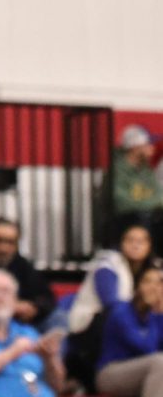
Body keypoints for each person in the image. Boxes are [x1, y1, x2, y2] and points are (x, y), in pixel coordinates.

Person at [67, 224, 158, 389]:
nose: (135, 245)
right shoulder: (108, 264)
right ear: (121, 243)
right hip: (90, 331)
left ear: (149, 246)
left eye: (141, 241)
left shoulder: (150, 271)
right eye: (130, 240)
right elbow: (111, 304)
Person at [96, 265, 163, 397]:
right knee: (160, 362)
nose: (153, 287)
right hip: (111, 373)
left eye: (159, 283)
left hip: (147, 373)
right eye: (147, 281)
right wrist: (157, 315)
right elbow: (146, 348)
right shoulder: (122, 311)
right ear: (137, 286)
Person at [112, 127, 163, 255]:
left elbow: (159, 194)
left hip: (149, 218)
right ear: (135, 147)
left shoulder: (146, 170)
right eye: (147, 143)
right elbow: (122, 203)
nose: (152, 147)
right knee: (142, 217)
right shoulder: (117, 170)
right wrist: (153, 203)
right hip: (125, 221)